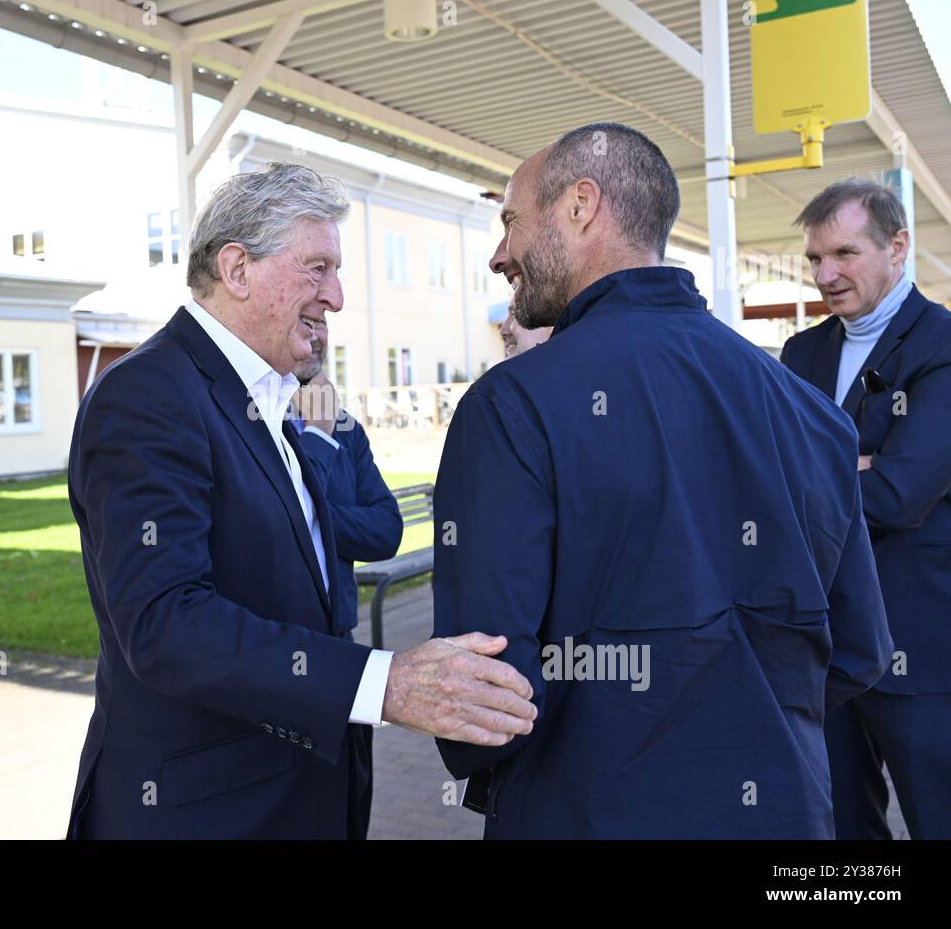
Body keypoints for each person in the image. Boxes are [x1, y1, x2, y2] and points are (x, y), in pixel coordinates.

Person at [432, 122, 893, 838]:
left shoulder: (512, 404)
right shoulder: (809, 411)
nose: (501, 255)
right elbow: (858, 647)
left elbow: (483, 708)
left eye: (510, 222)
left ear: (580, 206)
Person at [65, 162, 536, 839]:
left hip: (296, 795)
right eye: (317, 268)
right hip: (203, 814)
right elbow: (166, 623)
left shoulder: (275, 398)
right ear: (236, 269)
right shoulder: (149, 398)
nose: (336, 297)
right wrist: (385, 684)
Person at [780, 178, 951, 839]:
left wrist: (817, 472)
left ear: (898, 246)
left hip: (921, 647)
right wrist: (860, 461)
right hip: (824, 649)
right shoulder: (801, 353)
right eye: (815, 259)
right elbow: (768, 479)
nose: (827, 274)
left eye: (845, 254)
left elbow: (900, 493)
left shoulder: (940, 345)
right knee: (840, 828)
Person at [289, 316, 403, 837]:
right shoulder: (251, 425)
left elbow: (385, 530)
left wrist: (319, 516)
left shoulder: (345, 425)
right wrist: (316, 437)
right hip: (283, 661)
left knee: (351, 810)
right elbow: (278, 527)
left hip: (344, 649)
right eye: (305, 320)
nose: (318, 334)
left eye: (324, 324)